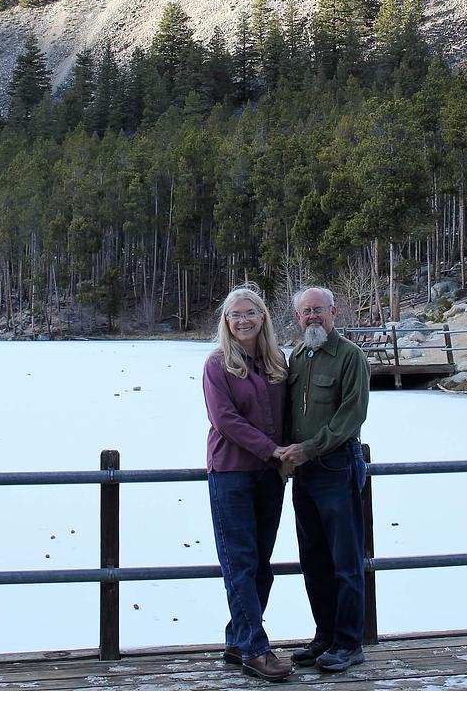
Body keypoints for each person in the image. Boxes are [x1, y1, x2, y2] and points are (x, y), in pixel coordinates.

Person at [277, 285, 371, 674]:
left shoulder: (350, 356)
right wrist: (286, 454)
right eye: (306, 311)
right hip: (304, 471)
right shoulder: (297, 356)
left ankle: (348, 643)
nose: (313, 316)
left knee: (344, 560)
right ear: (297, 318)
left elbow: (352, 415)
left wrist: (309, 448)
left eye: (319, 309)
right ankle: (325, 636)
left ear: (333, 312)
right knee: (313, 558)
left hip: (336, 466)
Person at [202, 284, 292, 682]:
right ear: (226, 321)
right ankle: (256, 649)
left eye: (250, 313)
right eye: (235, 314)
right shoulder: (217, 365)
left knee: (260, 566)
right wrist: (272, 450)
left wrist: (292, 452)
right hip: (232, 473)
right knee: (239, 562)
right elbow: (225, 420)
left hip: (270, 476)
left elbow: (288, 414)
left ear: (262, 318)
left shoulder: (277, 362)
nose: (243, 320)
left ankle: (238, 641)